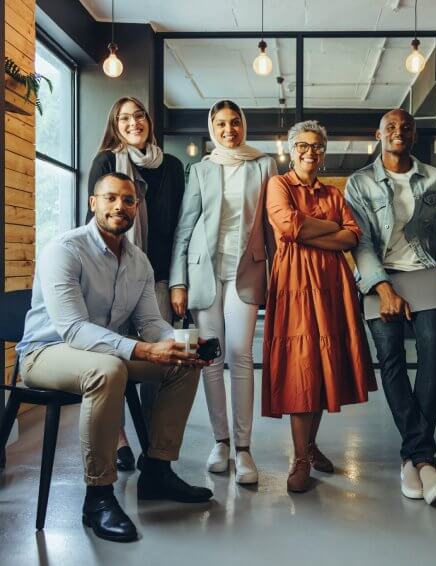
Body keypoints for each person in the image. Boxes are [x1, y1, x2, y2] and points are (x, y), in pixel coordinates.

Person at [16, 173, 213, 543]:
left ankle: (157, 469)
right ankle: (99, 496)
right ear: (94, 203)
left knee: (182, 364)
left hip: (105, 351)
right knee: (107, 370)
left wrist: (179, 343)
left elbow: (150, 322)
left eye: (127, 200)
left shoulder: (139, 261)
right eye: (110, 198)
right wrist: (144, 349)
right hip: (46, 352)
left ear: (137, 208)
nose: (119, 206)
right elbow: (73, 329)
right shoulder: (65, 249)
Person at [345, 109, 436, 505]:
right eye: (390, 126)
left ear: (414, 134)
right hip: (380, 276)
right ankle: (423, 458)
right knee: (390, 357)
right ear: (378, 134)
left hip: (425, 274)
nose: (398, 132)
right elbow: (359, 242)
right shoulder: (359, 183)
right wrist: (382, 286)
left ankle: (415, 458)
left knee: (434, 354)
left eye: (406, 127)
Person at [262, 120, 377, 493]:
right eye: (303, 146)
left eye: (317, 147)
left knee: (323, 364)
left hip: (330, 285)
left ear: (323, 153)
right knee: (301, 365)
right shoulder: (278, 184)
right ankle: (298, 458)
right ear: (292, 149)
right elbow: (288, 226)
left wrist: (313, 230)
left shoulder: (333, 192)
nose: (310, 152)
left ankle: (309, 446)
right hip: (295, 284)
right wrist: (328, 229)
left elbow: (352, 236)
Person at [169, 100, 277, 485]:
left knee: (241, 353)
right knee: (211, 358)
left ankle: (245, 449)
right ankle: (221, 442)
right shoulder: (200, 169)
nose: (229, 130)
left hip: (246, 271)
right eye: (221, 124)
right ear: (212, 128)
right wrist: (177, 281)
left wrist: (277, 275)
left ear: (243, 125)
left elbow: (270, 225)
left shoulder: (263, 165)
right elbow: (185, 226)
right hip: (204, 272)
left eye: (234, 122)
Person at [87, 96, 185, 471]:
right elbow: (96, 219)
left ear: (149, 120)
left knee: (157, 361)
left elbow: (180, 227)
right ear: (116, 124)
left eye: (139, 115)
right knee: (113, 357)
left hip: (155, 274)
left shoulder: (172, 166)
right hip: (113, 273)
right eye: (124, 118)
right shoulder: (107, 161)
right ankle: (119, 440)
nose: (133, 123)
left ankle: (153, 446)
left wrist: (178, 280)